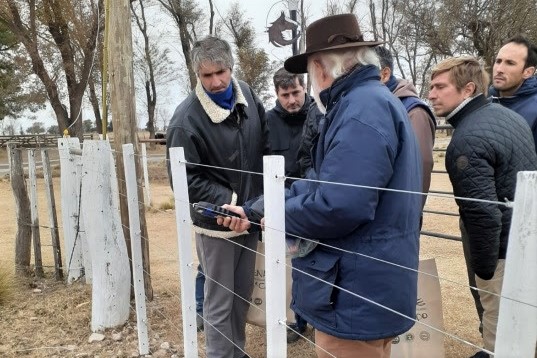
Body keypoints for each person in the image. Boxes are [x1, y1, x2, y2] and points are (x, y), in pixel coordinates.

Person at [220, 14, 423, 358]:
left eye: (309, 73)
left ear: (321, 68)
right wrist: (259, 208)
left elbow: (342, 203)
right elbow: (320, 183)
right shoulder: (362, 103)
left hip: (353, 292)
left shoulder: (361, 110)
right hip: (363, 285)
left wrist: (280, 219)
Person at [166, 36, 270, 358]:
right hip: (217, 222)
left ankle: (236, 353)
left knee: (241, 295)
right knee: (219, 301)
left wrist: (255, 205)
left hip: (249, 218)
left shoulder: (249, 96)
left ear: (231, 66)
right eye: (206, 75)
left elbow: (264, 147)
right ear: (197, 73)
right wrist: (230, 200)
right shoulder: (185, 120)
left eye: (221, 72)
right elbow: (183, 180)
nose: (216, 81)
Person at [428, 56, 537, 358]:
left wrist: (485, 274)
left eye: (439, 86)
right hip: (524, 239)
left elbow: (483, 213)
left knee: (500, 332)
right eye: (430, 87)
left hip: (502, 250)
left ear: (468, 89)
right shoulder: (508, 116)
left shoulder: (467, 139)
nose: (431, 94)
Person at [265, 67, 311, 342]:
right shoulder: (268, 122)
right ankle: (298, 319)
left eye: (296, 92)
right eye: (286, 95)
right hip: (283, 204)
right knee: (290, 263)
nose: (292, 100)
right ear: (277, 94)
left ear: (304, 88)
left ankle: (317, 316)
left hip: (314, 199)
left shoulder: (320, 114)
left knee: (316, 262)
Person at [375, 46, 436, 209]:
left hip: (396, 218)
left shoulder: (414, 111)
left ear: (384, 74)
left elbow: (421, 165)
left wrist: (409, 214)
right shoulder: (377, 106)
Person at [489, 35, 537, 149]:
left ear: (528, 72)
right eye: (498, 61)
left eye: (510, 63)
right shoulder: (485, 103)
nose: (499, 69)